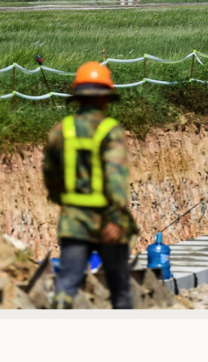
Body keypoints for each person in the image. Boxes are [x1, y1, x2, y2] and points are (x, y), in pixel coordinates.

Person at [42, 61, 138, 309]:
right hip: (107, 221)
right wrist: (116, 218)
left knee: (67, 282)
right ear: (105, 98)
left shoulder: (61, 130)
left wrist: (63, 202)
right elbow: (116, 177)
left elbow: (50, 174)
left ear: (79, 97)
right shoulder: (110, 131)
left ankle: (61, 307)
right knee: (120, 289)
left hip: (74, 221)